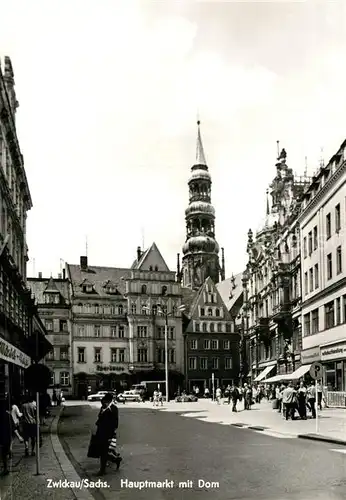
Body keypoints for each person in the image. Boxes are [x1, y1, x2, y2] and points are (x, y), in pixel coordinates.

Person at [95, 393, 120, 475]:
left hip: (107, 434)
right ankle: (116, 460)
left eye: (105, 401)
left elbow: (115, 424)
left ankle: (102, 471)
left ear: (109, 401)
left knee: (103, 452)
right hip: (100, 432)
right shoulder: (103, 407)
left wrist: (111, 435)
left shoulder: (114, 409)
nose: (104, 402)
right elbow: (99, 417)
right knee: (101, 451)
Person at [0, 400, 12, 476]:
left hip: (1, 437)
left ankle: (5, 468)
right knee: (4, 454)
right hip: (6, 437)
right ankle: (5, 468)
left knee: (3, 455)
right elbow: (10, 427)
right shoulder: (8, 415)